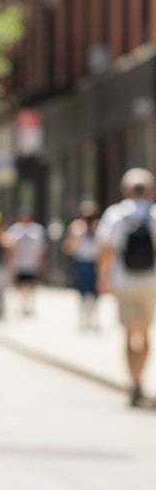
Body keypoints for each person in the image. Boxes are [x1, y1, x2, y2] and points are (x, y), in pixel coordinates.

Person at [97, 168, 156, 407]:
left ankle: (134, 382)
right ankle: (140, 376)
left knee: (129, 333)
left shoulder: (115, 215)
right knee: (144, 333)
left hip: (124, 282)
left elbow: (107, 251)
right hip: (151, 284)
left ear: (126, 191)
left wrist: (103, 278)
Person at [63, 199, 101, 330]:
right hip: (82, 262)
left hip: (95, 263)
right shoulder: (77, 227)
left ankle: (93, 318)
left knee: (95, 293)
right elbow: (70, 247)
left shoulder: (99, 227)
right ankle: (84, 319)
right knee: (82, 292)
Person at [8, 210, 46, 315]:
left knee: (31, 285)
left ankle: (30, 305)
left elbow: (41, 248)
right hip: (19, 263)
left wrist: (41, 264)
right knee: (20, 286)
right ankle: (21, 306)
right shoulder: (15, 229)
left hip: (32, 263)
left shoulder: (37, 229)